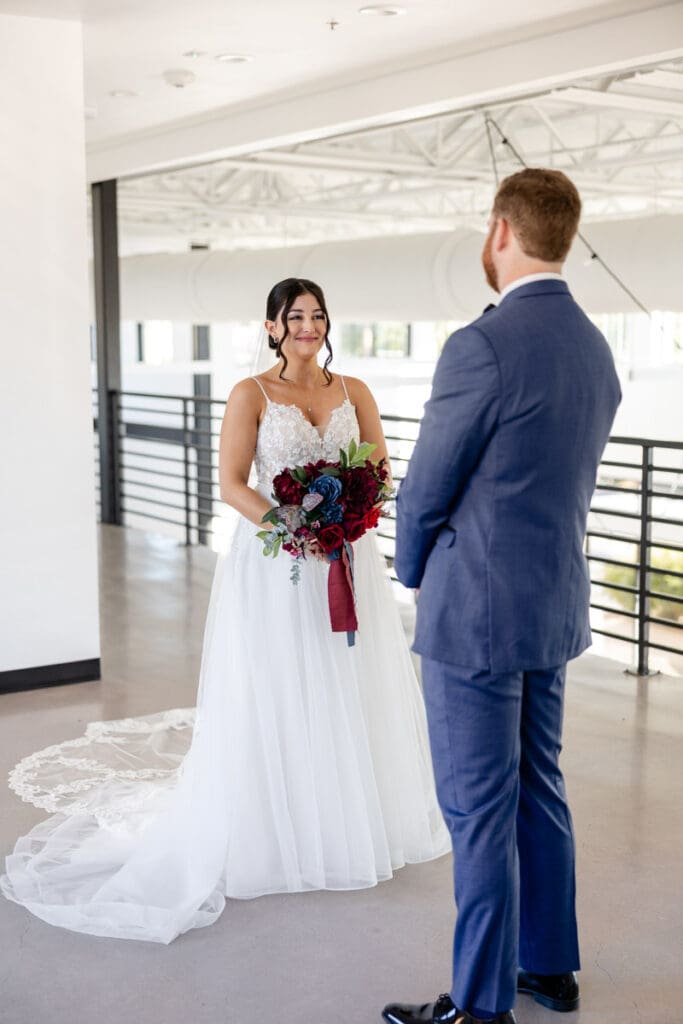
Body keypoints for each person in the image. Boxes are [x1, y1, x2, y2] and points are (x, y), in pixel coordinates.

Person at [0, 277, 449, 944]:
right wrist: (292, 525)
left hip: (347, 559)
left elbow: (379, 467)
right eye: (294, 317)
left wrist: (354, 512)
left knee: (346, 682)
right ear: (271, 327)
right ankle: (278, 826)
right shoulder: (252, 394)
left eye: (317, 315)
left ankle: (350, 819)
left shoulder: (354, 391)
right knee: (281, 684)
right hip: (277, 561)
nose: (308, 326)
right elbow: (232, 483)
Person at [384, 170, 621, 1024]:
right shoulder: (595, 347)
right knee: (538, 788)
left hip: (474, 614)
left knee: (478, 808)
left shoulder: (479, 345)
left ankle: (480, 1007)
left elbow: (426, 488)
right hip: (550, 603)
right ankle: (550, 969)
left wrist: (411, 571)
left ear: (499, 232)